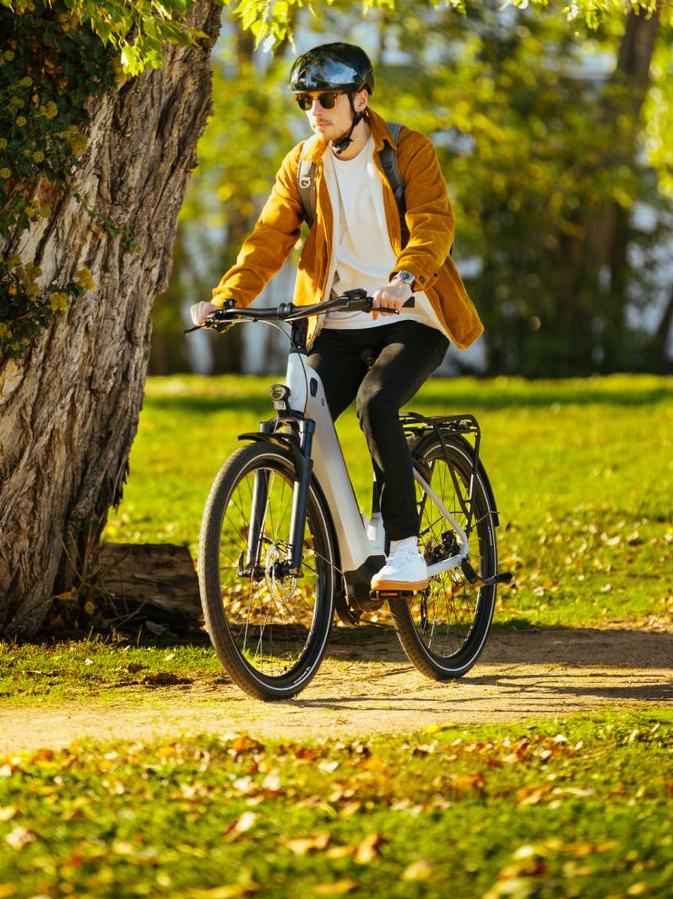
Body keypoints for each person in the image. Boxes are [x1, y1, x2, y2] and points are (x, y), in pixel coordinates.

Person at [190, 42, 483, 590]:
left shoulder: (408, 151)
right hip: (338, 322)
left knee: (377, 402)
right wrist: (228, 298)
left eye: (327, 98)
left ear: (361, 99)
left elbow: (433, 224)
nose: (315, 110)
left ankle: (404, 547)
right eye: (306, 101)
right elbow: (268, 240)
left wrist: (403, 280)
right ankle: (348, 555)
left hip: (411, 317)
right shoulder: (303, 166)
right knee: (304, 416)